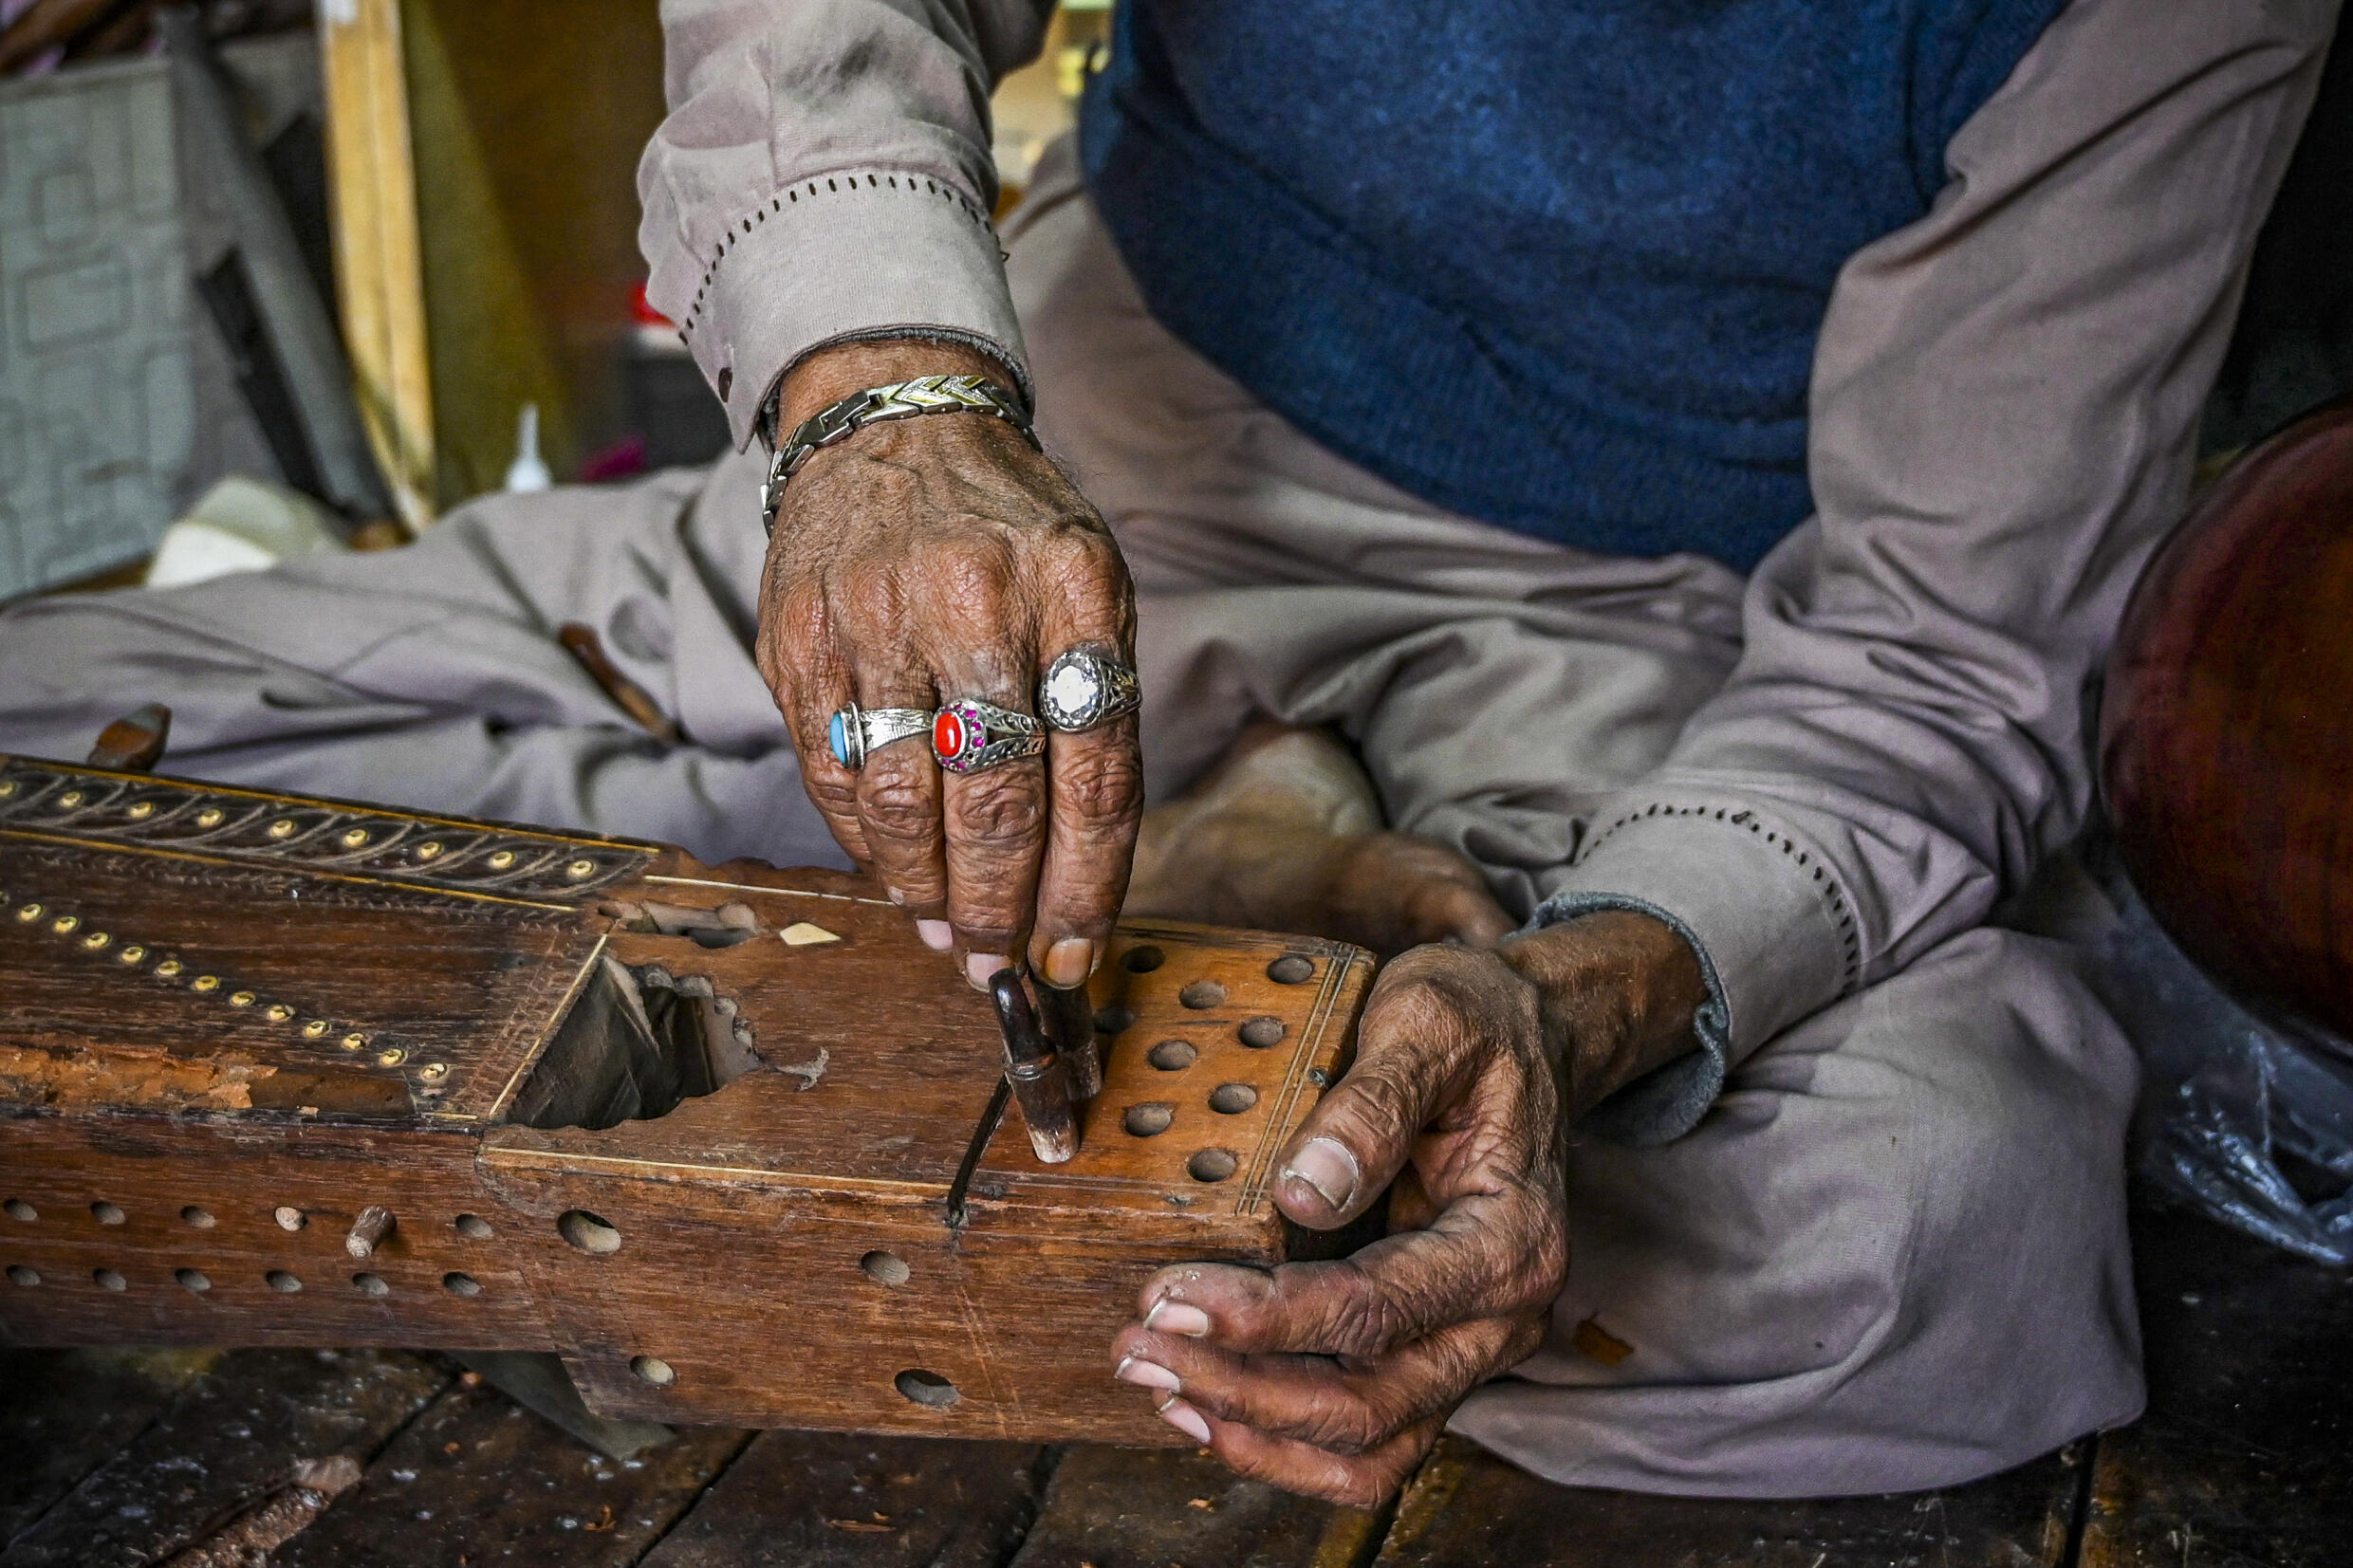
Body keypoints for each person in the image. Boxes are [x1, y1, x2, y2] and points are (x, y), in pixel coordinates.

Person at [0, 0, 2338, 1506]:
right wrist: (879, 401)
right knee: (57, 725)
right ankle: (1174, 888)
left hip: (1612, 629)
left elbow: (1948, 645)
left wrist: (1582, 985)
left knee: (1939, 1212)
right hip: (1061, 449)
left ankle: (1210, 926)